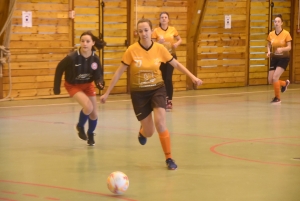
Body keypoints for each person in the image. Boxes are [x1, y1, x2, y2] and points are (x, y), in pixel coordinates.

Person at [100, 18, 203, 170]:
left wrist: (193, 77)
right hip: (139, 93)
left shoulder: (160, 49)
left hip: (157, 89)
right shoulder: (131, 50)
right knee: (149, 132)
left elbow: (177, 64)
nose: (144, 33)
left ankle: (169, 158)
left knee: (160, 122)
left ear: (151, 31)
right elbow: (119, 72)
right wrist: (107, 93)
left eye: (146, 30)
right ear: (138, 33)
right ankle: (142, 132)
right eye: (140, 31)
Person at [53, 31, 105, 146]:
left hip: (87, 85)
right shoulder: (72, 57)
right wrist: (56, 87)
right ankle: (80, 126)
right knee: (88, 106)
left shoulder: (95, 59)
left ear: (93, 43)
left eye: (87, 41)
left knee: (94, 113)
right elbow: (59, 68)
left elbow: (98, 75)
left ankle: (90, 134)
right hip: (73, 85)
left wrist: (99, 82)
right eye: (82, 41)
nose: (85, 44)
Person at [152, 12, 182, 110]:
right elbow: (151, 43)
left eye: (166, 17)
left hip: (171, 57)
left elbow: (180, 39)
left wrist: (177, 44)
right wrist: (158, 42)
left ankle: (169, 100)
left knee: (168, 78)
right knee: (162, 79)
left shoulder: (173, 29)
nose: (164, 19)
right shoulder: (156, 31)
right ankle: (163, 99)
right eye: (162, 17)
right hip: (160, 58)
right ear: (160, 20)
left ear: (168, 20)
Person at [267, 14, 292, 104]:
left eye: (278, 21)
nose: (276, 23)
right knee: (270, 80)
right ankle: (284, 84)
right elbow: (268, 44)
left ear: (281, 23)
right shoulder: (271, 34)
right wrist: (269, 51)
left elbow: (289, 47)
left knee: (275, 77)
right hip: (275, 58)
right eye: (275, 21)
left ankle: (277, 98)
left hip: (284, 58)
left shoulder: (286, 33)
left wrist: (282, 49)